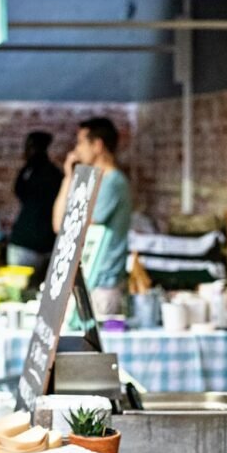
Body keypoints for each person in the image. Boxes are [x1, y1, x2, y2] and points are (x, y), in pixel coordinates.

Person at [53, 116, 131, 316]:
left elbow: (76, 227)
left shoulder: (113, 182)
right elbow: (59, 225)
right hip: (88, 279)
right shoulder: (91, 181)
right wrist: (68, 177)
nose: (77, 150)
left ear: (97, 145)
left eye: (81, 143)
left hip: (104, 282)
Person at [7, 131, 63, 288]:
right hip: (44, 242)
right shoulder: (52, 173)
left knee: (20, 292)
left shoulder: (34, 172)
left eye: (28, 147)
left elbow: (20, 191)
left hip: (29, 244)